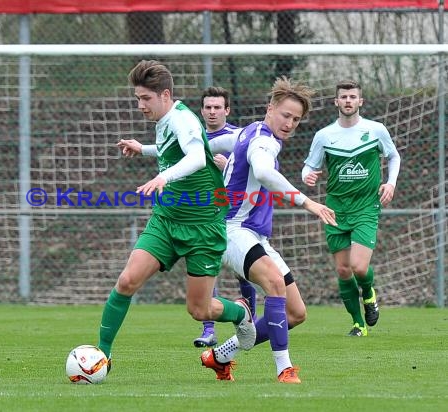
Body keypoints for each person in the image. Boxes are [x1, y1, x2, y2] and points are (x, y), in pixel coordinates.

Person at [97, 60, 256, 374]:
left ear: (165, 94)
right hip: (167, 220)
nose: (140, 105)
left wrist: (164, 178)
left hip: (203, 226)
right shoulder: (167, 118)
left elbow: (197, 157)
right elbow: (171, 148)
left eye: (146, 99)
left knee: (199, 310)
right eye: (138, 98)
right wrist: (142, 149)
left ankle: (240, 312)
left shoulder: (184, 121)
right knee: (127, 281)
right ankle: (102, 356)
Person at [199, 77, 337, 384]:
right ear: (270, 108)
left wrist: (160, 153)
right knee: (274, 283)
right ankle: (284, 369)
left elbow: (212, 145)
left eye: (296, 119)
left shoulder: (248, 130)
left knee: (296, 312)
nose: (289, 123)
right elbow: (262, 170)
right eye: (285, 115)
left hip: (253, 234)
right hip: (232, 229)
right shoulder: (265, 141)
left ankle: (220, 356)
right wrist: (308, 203)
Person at [302, 79, 400, 337]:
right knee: (344, 270)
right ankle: (359, 324)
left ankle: (368, 293)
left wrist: (390, 183)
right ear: (336, 101)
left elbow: (393, 156)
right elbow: (309, 166)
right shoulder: (324, 135)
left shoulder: (376, 130)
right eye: (343, 97)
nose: (348, 101)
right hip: (335, 210)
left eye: (352, 97)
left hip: (366, 207)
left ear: (360, 101)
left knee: (358, 267)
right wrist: (307, 177)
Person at [193, 86, 257, 348]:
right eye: (208, 107)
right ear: (201, 110)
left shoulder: (239, 137)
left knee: (244, 272)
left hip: (233, 214)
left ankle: (249, 318)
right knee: (206, 268)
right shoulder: (193, 138)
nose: (212, 111)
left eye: (217, 107)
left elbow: (254, 168)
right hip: (202, 211)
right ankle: (208, 329)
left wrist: (227, 164)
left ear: (227, 110)